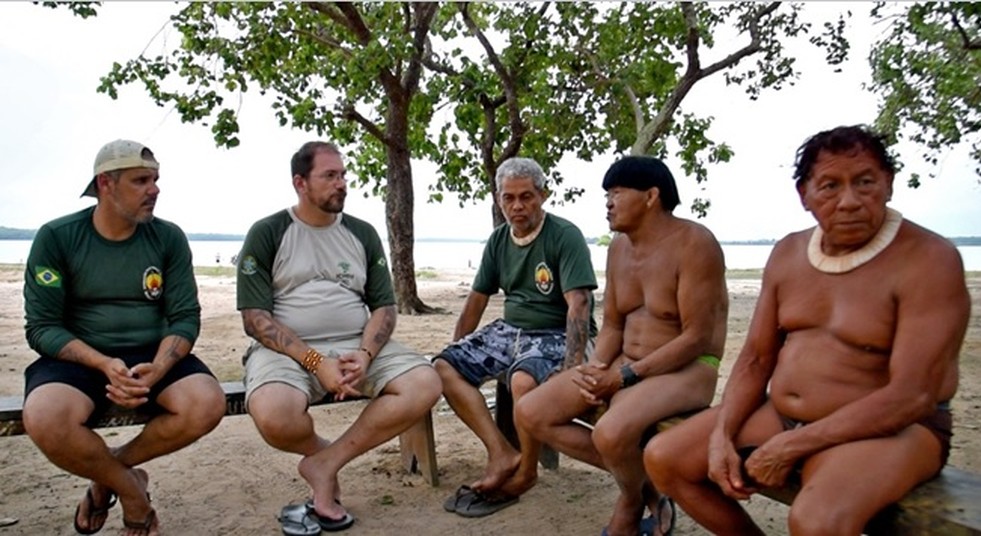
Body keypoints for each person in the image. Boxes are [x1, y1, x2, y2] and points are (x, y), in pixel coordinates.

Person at [644, 125, 971, 535]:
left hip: (895, 430)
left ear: (888, 184)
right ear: (805, 195)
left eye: (865, 182)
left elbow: (913, 397)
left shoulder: (929, 260)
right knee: (664, 458)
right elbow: (756, 359)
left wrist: (793, 445)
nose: (849, 201)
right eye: (830, 186)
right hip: (782, 416)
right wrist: (721, 434)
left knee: (816, 521)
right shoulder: (788, 254)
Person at [22, 139, 226, 536]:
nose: (155, 189)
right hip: (79, 358)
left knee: (206, 403)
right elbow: (42, 326)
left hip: (153, 355)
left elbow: (185, 317)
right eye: (141, 180)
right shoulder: (58, 237)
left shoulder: (168, 238)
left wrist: (161, 366)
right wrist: (102, 363)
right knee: (44, 418)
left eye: (155, 179)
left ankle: (108, 476)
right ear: (106, 184)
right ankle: (132, 491)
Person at [236, 141, 442, 534]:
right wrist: (315, 363)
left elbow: (384, 308)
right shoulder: (268, 232)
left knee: (425, 382)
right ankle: (319, 453)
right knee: (275, 415)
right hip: (287, 351)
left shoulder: (361, 233)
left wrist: (365, 354)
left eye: (343, 175)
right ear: (300, 182)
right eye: (330, 176)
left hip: (354, 343)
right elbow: (255, 319)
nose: (342, 184)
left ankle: (325, 464)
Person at [515, 156, 728, 536]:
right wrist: (596, 368)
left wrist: (625, 376)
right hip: (625, 363)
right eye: (606, 195)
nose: (608, 203)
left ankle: (629, 502)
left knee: (610, 433)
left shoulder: (696, 243)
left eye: (616, 193)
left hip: (688, 368)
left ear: (651, 196)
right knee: (532, 412)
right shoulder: (618, 248)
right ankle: (645, 484)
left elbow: (696, 337)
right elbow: (613, 322)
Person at [434, 157, 598, 518]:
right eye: (509, 198)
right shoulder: (497, 240)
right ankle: (501, 452)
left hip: (557, 329)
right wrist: (455, 347)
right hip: (510, 330)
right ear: (499, 200)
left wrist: (572, 368)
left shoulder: (564, 235)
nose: (518, 206)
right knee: (444, 367)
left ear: (543, 194)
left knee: (523, 380)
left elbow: (579, 305)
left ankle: (528, 471)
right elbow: (476, 301)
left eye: (527, 196)